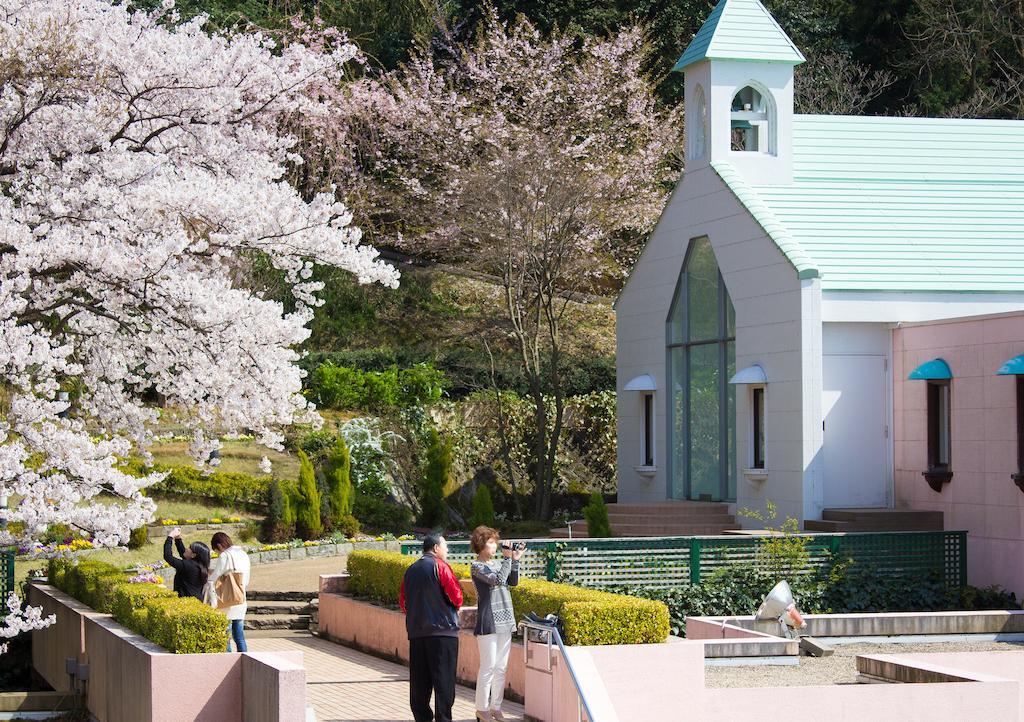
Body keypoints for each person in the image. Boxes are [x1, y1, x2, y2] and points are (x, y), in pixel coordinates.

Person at [399, 534, 463, 722]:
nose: (447, 550)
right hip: (443, 633)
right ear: (435, 548)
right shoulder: (440, 566)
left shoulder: (410, 570)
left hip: (417, 633)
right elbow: (456, 596)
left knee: (420, 684)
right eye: (445, 546)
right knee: (444, 683)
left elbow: (404, 602)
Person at [469, 526, 521, 722]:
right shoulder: (477, 567)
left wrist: (515, 560)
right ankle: (481, 709)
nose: (495, 546)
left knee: (501, 667)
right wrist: (508, 559)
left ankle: (496, 707)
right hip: (488, 621)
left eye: (495, 542)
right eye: (490, 542)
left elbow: (513, 581)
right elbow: (497, 580)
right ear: (480, 545)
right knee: (488, 666)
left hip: (506, 619)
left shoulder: (500, 563)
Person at [208, 531, 250, 653]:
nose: (218, 553)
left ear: (219, 546)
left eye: (216, 550)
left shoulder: (225, 555)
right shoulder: (243, 553)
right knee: (239, 636)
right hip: (240, 597)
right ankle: (244, 660)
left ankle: (228, 662)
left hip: (227, 601)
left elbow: (214, 578)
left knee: (225, 635)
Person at [163, 527, 210, 601]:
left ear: (193, 555)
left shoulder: (189, 566)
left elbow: (168, 557)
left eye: (189, 548)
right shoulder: (198, 564)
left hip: (188, 602)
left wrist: (170, 537)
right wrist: (178, 538)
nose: (187, 549)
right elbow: (183, 553)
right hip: (196, 600)